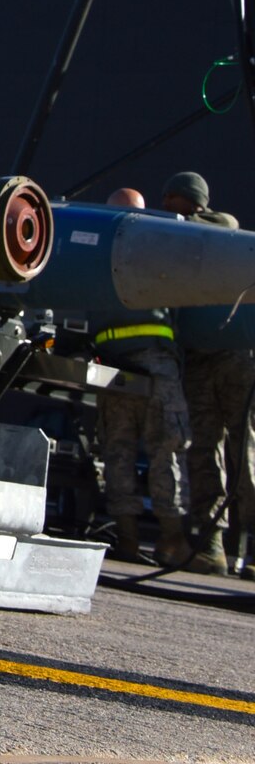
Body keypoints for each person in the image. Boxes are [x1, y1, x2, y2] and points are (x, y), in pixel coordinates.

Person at [93, 181, 193, 568]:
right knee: (167, 447)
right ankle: (172, 540)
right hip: (154, 362)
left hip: (113, 367)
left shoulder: (97, 248)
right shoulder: (157, 242)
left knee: (118, 451)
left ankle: (129, 540)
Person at [160, 171, 254, 576]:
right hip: (198, 361)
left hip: (235, 359)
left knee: (244, 453)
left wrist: (177, 224)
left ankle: (249, 548)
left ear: (190, 201)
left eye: (172, 200)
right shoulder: (179, 244)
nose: (165, 209)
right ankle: (212, 545)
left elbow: (224, 225)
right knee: (203, 453)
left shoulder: (218, 228)